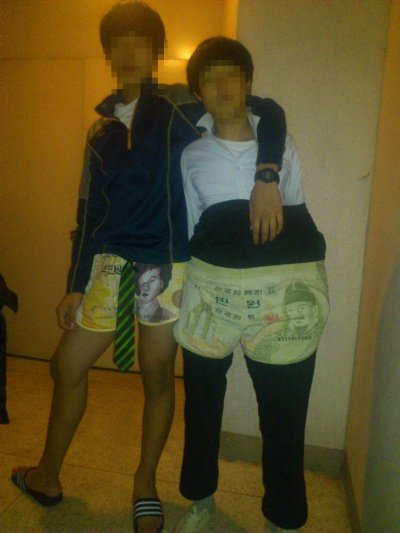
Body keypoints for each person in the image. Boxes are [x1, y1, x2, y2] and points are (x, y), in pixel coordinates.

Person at [11, 3, 288, 533]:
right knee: (66, 366)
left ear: (156, 51)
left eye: (141, 41)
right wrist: (74, 285)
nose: (129, 51)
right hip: (109, 266)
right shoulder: (100, 131)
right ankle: (46, 475)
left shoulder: (184, 106)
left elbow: (268, 111)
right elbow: (88, 214)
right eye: (118, 42)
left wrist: (268, 174)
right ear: (108, 53)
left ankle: (144, 484)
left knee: (157, 375)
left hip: (166, 263)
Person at [173, 37, 329, 533]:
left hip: (278, 298)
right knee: (201, 403)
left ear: (248, 84)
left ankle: (284, 518)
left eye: (232, 75)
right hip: (213, 296)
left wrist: (267, 181)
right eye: (209, 78)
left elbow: (296, 216)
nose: (222, 87)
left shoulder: (281, 145)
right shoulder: (192, 155)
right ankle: (201, 499)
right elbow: (192, 224)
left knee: (285, 409)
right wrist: (184, 286)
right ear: (198, 92)